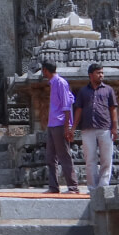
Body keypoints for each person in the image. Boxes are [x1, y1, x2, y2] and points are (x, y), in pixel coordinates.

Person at [72, 63, 119, 190]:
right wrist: (73, 127)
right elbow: (78, 110)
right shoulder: (83, 91)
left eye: (102, 73)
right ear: (91, 75)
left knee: (106, 159)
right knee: (90, 159)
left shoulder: (108, 90)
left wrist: (115, 127)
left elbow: (113, 109)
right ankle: (92, 187)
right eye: (98, 73)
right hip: (87, 128)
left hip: (105, 127)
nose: (101, 75)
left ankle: (103, 186)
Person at [40, 61, 79, 194]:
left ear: (45, 70)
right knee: (50, 157)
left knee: (64, 156)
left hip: (60, 124)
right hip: (52, 124)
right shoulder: (53, 83)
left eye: (42, 70)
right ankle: (53, 186)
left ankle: (73, 186)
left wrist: (67, 126)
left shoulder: (61, 83)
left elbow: (67, 105)